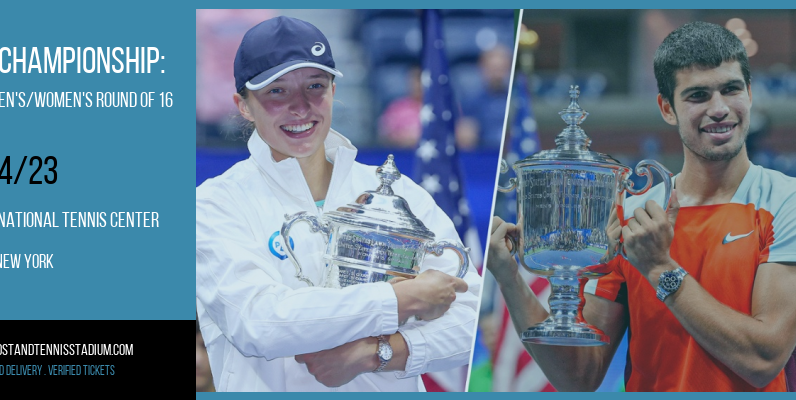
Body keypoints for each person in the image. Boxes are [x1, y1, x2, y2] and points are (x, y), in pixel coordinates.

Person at [487, 21, 796, 392]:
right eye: (697, 96)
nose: (719, 109)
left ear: (749, 92)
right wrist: (509, 278)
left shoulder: (785, 201)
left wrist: (660, 268)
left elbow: (763, 359)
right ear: (667, 108)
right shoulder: (631, 213)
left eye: (731, 90)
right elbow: (579, 377)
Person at [196, 16, 481, 392]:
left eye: (315, 86)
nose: (300, 107)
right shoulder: (214, 203)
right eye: (277, 91)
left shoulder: (401, 192)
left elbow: (471, 316)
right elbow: (261, 323)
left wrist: (378, 353)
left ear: (333, 90)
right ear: (243, 105)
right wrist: (399, 299)